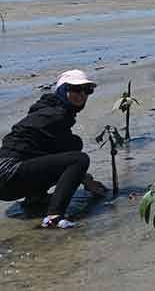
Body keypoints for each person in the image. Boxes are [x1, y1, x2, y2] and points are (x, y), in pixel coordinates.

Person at [0, 70, 108, 229]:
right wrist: (87, 181)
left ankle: (35, 198)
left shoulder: (47, 109)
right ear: (63, 90)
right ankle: (54, 216)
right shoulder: (56, 115)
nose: (82, 95)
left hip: (10, 177)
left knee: (71, 145)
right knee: (79, 158)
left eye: (87, 90)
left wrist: (85, 180)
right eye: (76, 89)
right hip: (8, 174)